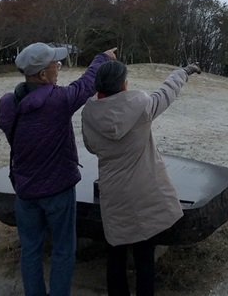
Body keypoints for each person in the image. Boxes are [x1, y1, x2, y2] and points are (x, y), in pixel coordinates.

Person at [0, 42, 117, 296]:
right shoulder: (57, 101)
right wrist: (102, 57)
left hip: (25, 191)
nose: (59, 67)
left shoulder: (8, 104)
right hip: (58, 191)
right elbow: (86, 85)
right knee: (63, 249)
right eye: (56, 64)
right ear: (42, 74)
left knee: (30, 250)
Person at [81, 60, 202, 296]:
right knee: (144, 257)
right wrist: (183, 72)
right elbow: (167, 92)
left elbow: (91, 147)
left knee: (115, 254)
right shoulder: (141, 106)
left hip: (113, 192)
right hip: (144, 191)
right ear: (124, 85)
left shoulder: (89, 113)